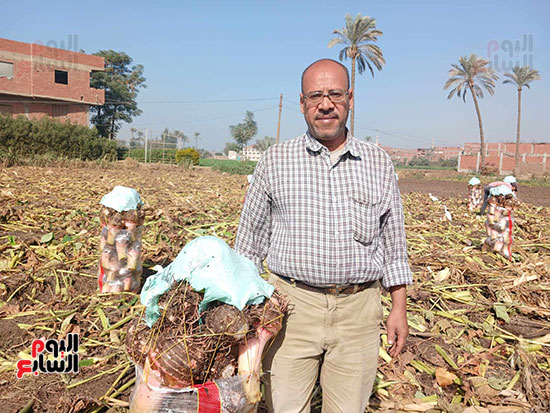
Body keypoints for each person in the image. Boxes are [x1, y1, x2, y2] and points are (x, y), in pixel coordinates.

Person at [234, 58, 412, 412]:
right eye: (316, 96)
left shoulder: (377, 163)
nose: (325, 104)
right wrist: (242, 314)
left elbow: (393, 243)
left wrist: (399, 307)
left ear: (350, 98)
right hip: (290, 309)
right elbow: (248, 244)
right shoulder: (275, 160)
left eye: (334, 94)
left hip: (359, 312)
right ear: (302, 103)